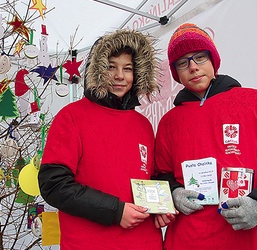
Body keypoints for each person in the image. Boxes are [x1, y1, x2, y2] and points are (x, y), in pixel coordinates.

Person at [155, 23, 257, 250]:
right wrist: (173, 193)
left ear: (213, 60)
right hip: (189, 239)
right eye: (183, 62)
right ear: (176, 72)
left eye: (199, 57)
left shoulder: (255, 102)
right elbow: (161, 174)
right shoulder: (169, 122)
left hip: (248, 238)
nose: (193, 67)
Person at [38, 29, 167, 249]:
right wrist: (115, 211)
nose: (120, 76)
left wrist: (162, 208)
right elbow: (54, 185)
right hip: (90, 243)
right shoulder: (71, 117)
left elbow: (150, 178)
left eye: (128, 69)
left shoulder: (143, 124)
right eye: (111, 67)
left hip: (145, 242)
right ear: (96, 70)